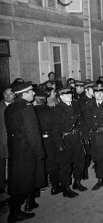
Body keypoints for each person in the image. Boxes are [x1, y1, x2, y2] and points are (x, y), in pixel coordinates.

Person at [5, 82, 46, 222]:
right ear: (24, 94)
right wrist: (40, 152)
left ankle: (27, 203)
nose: (33, 94)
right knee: (25, 181)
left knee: (18, 180)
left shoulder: (10, 107)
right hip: (27, 150)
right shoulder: (27, 108)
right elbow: (33, 133)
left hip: (16, 149)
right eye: (31, 92)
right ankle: (14, 212)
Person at [52, 87, 88, 198]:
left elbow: (81, 121)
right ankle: (66, 188)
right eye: (66, 94)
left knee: (80, 160)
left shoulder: (75, 105)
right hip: (65, 139)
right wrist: (59, 144)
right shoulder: (57, 110)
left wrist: (85, 136)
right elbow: (55, 129)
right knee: (65, 164)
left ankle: (77, 182)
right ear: (61, 96)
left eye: (70, 93)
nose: (70, 95)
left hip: (77, 136)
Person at [33, 91, 62, 196]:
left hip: (37, 140)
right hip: (49, 140)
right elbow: (55, 128)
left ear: (35, 100)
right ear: (45, 100)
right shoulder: (51, 111)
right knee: (52, 163)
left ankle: (36, 190)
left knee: (38, 164)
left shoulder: (32, 111)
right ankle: (55, 186)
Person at [0, 88, 14, 194]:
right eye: (7, 94)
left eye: (11, 94)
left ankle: (12, 184)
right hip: (2, 139)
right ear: (4, 95)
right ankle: (1, 186)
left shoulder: (17, 106)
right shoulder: (0, 107)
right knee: (1, 163)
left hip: (14, 139)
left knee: (13, 163)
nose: (9, 96)